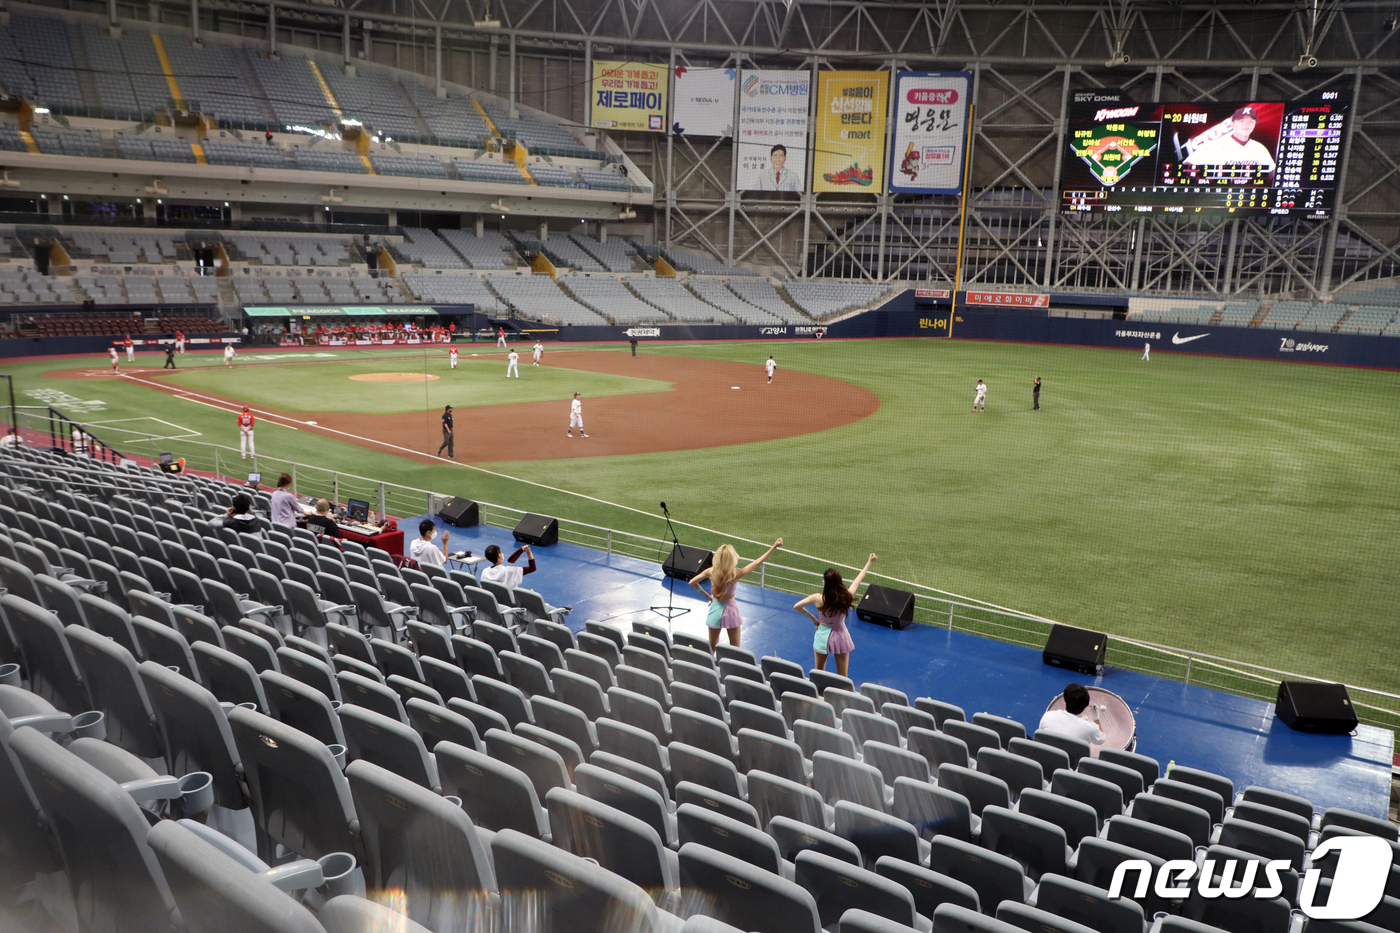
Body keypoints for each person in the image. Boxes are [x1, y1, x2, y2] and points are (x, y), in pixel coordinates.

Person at [689, 538, 783, 650]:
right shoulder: (735, 575)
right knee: (735, 649)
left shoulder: (710, 571)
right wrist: (774, 547)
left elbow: (692, 582)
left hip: (715, 610)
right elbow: (758, 562)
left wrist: (708, 596)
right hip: (731, 611)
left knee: (712, 647)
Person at [793, 553, 876, 677]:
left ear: (825, 583)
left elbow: (797, 606)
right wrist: (869, 562)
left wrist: (814, 619)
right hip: (841, 636)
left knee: (818, 674)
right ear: (839, 582)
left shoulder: (817, 598)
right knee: (843, 676)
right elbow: (858, 580)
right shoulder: (846, 597)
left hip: (822, 636)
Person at [1183, 105, 1277, 180]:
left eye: (1251, 121)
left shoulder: (1259, 148)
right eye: (1242, 121)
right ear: (1232, 124)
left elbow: (1271, 172)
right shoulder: (1215, 145)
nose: (1246, 125)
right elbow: (1186, 166)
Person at [1039, 684, 1107, 747]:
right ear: (1085, 706)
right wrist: (1096, 718)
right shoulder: (1090, 728)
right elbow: (1101, 739)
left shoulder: (1048, 716)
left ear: (1065, 701)